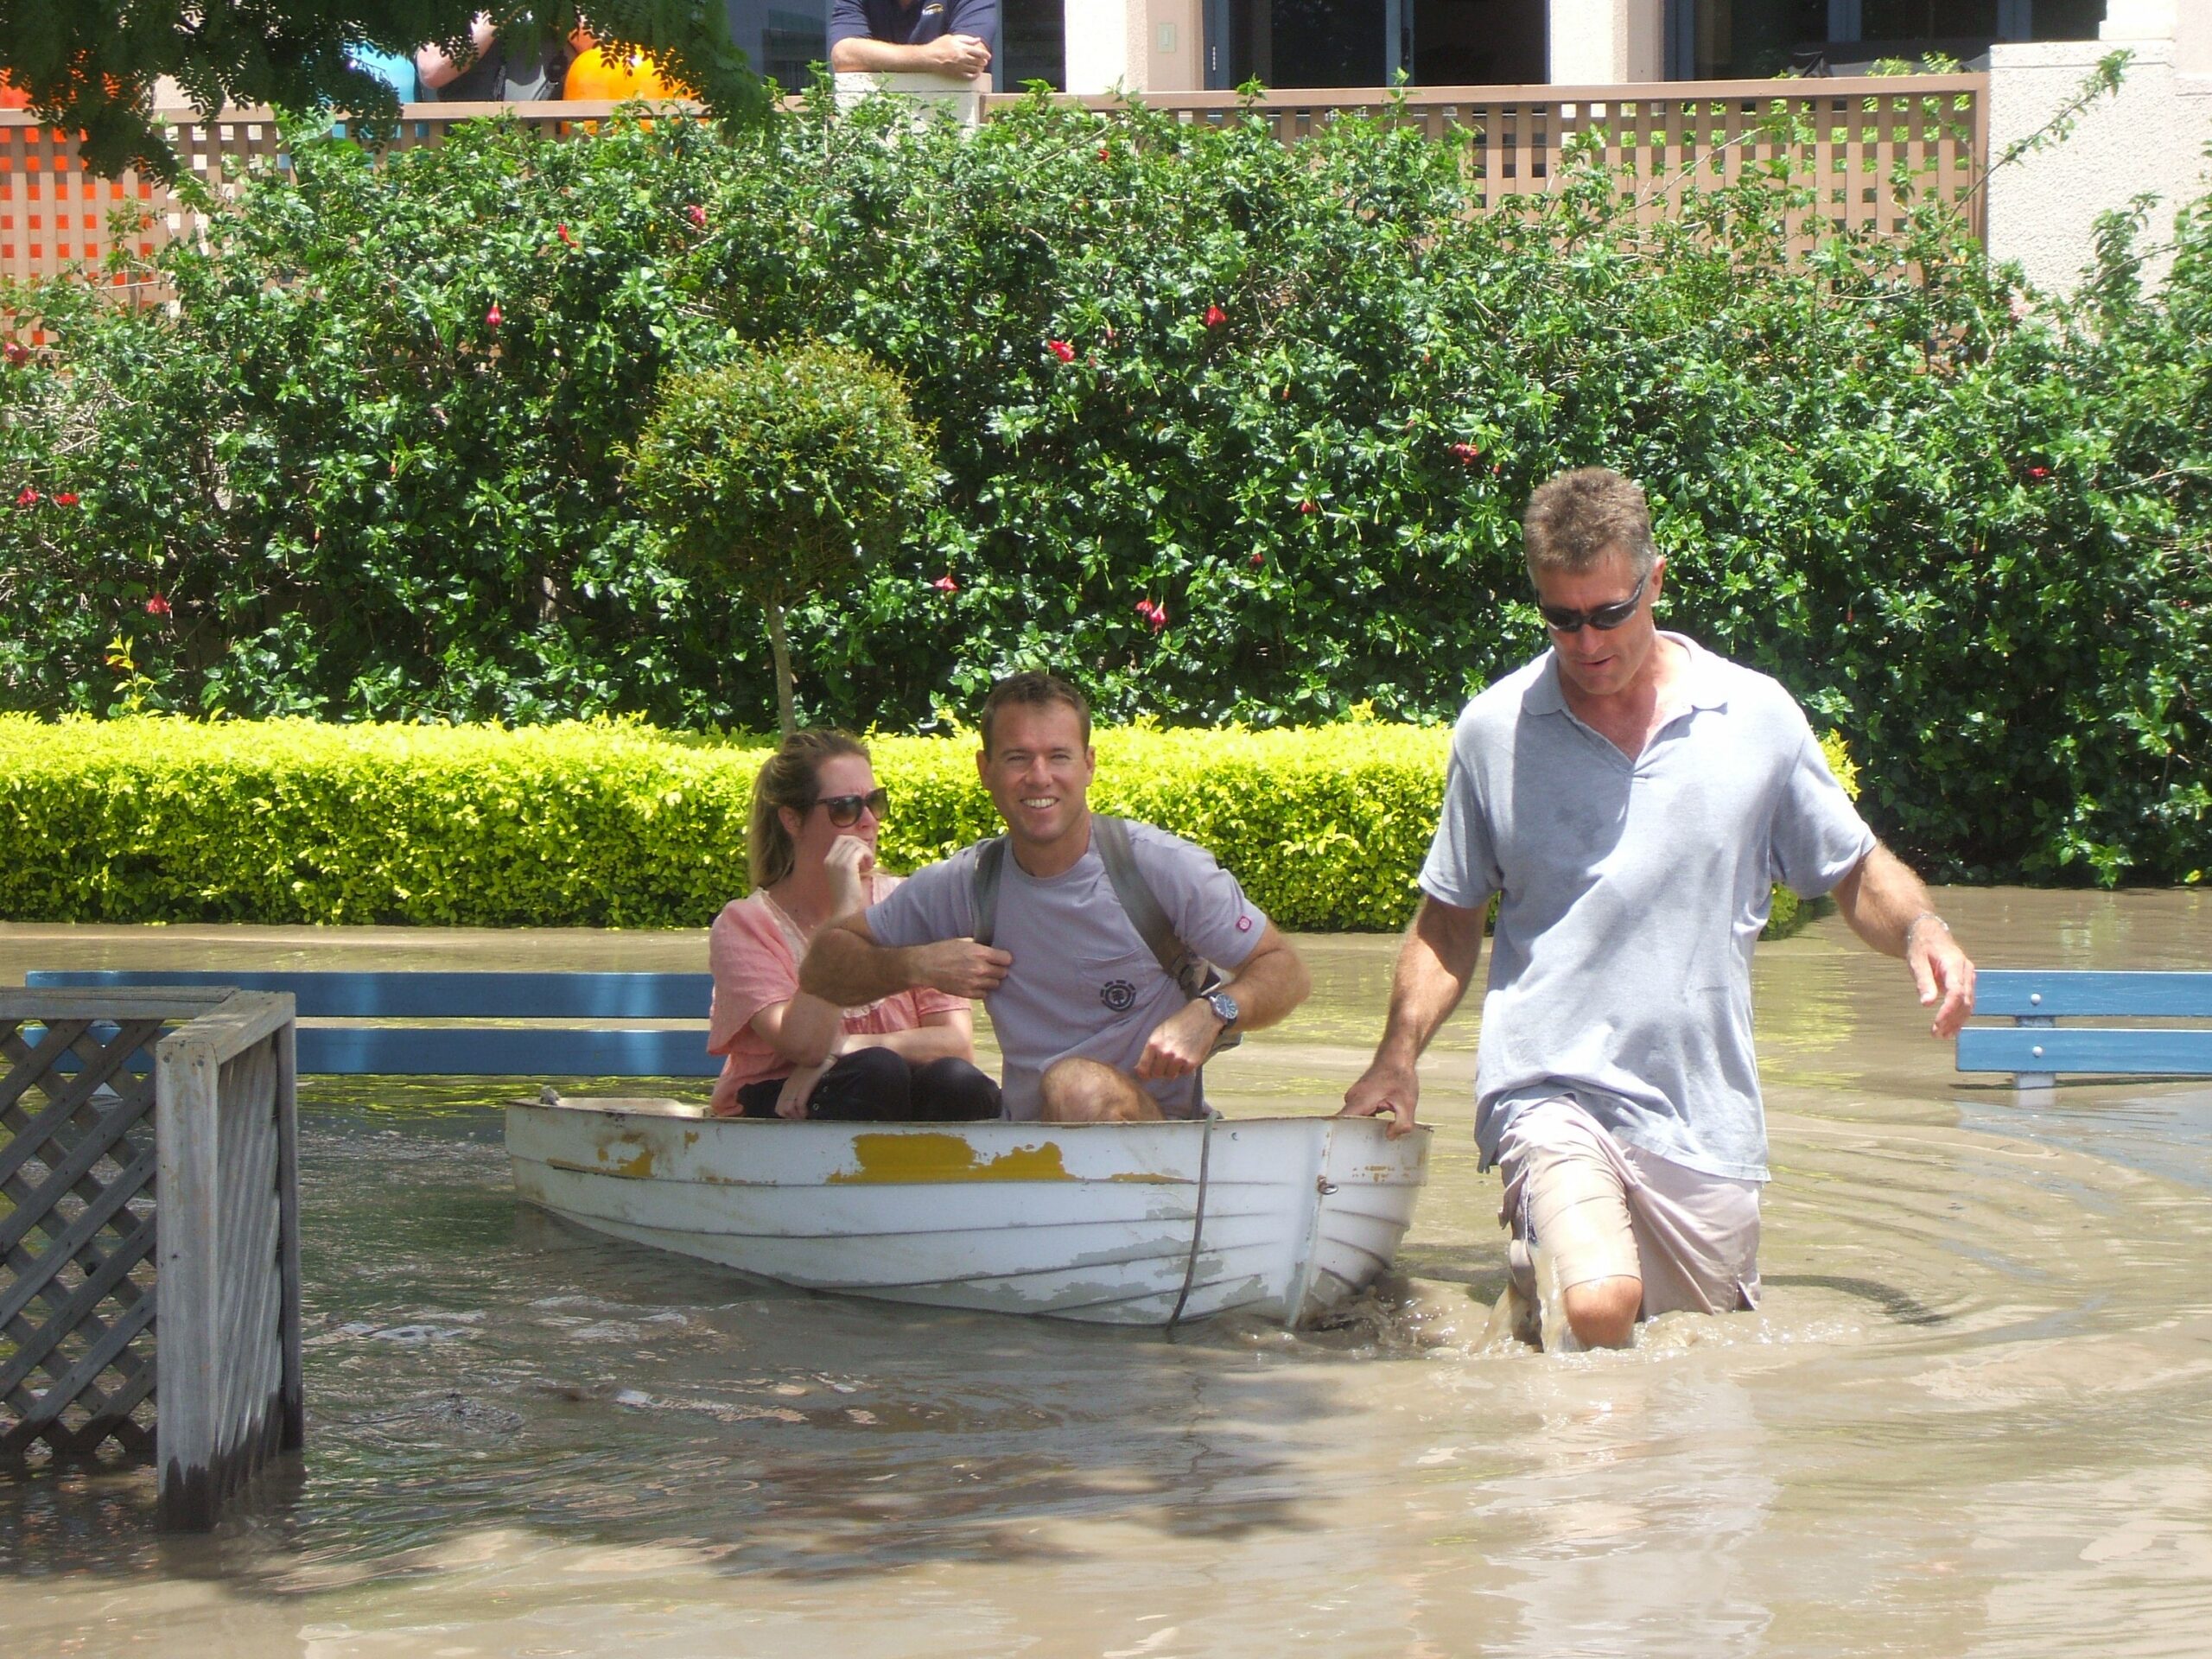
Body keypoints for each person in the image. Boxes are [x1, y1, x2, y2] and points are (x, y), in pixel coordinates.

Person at [1340, 466, 1977, 1349]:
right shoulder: (1495, 731)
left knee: (1688, 1367)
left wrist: (1921, 929)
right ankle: (1558, 1278)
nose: (1586, 642)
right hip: (1546, 1085)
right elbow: (1448, 920)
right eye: (1561, 618)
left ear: (1655, 581)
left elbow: (1851, 869)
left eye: (1607, 613)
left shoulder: (1754, 716)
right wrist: (1396, 1057)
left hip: (1702, 1121)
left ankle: (1526, 1341)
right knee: (1602, 1301)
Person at [799, 671, 1311, 1122]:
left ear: (1088, 765)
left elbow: (1284, 968)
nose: (1039, 777)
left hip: (1159, 1136)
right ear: (985, 769)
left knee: (1076, 1086)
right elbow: (822, 968)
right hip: (1030, 1149)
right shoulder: (970, 881)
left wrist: (1213, 1011)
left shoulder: (1157, 866)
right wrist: (914, 966)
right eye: (1018, 757)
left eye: (1058, 757)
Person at [708, 728, 1000, 1122]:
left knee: (959, 1082)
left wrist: (840, 1048)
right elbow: (806, 1047)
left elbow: (956, 1042)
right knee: (876, 1071)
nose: (868, 822)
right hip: (779, 1101)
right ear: (792, 820)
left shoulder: (908, 901)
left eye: (874, 803)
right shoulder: (745, 925)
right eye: (845, 808)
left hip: (877, 1082)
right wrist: (844, 912)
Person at [416, 13, 589, 101]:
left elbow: (603, 52)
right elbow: (431, 71)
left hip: (553, 150)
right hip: (469, 151)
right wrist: (500, 13)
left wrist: (556, 12)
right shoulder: (444, 9)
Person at [828, 0, 998, 79]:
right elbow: (843, 55)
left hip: (954, 122)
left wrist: (873, 55)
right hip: (876, 126)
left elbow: (970, 56)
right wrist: (930, 57)